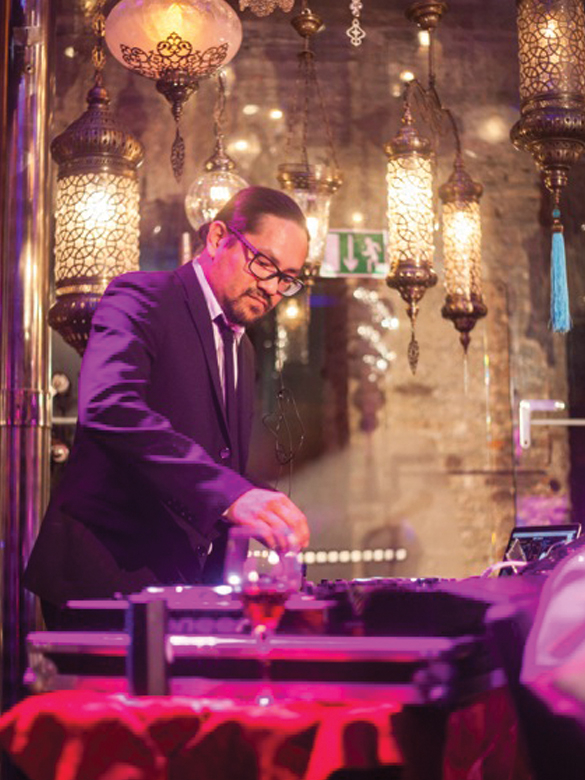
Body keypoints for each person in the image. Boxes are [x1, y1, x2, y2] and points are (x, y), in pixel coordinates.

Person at [24, 186, 311, 628]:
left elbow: (213, 457)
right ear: (218, 238)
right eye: (264, 263)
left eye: (286, 278)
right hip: (105, 578)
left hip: (183, 589)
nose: (272, 288)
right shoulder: (141, 296)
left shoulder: (244, 348)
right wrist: (232, 495)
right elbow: (111, 406)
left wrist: (262, 504)